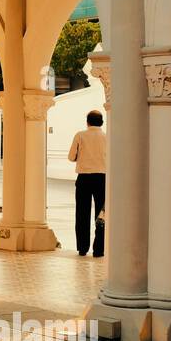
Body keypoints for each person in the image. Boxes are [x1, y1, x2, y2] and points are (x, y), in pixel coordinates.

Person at [68, 110, 107, 257]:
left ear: (88, 122)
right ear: (101, 122)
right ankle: (99, 249)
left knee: (82, 213)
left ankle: (83, 247)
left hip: (84, 178)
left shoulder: (80, 135)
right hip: (102, 178)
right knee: (101, 214)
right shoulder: (106, 137)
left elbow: (71, 157)